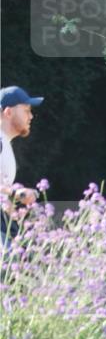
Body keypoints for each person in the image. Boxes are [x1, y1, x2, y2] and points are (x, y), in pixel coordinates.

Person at [1, 86, 42, 244]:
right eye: (26, 110)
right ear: (8, 112)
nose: (31, 116)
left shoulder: (4, 144)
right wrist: (16, 192)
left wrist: (16, 223)